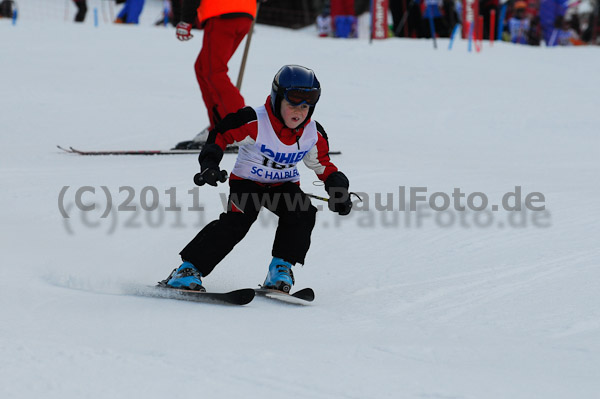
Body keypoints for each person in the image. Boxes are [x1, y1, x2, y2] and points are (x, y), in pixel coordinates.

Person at [161, 65, 353, 293]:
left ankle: (279, 269)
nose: (299, 112)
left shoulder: (313, 133)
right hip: (247, 185)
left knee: (302, 212)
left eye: (305, 106)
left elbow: (322, 164)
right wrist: (210, 164)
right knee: (237, 223)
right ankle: (187, 270)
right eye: (292, 104)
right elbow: (221, 134)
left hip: (283, 187)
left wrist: (338, 189)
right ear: (277, 99)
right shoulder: (255, 121)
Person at [174, 0, 258, 149]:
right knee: (203, 68)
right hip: (244, 13)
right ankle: (218, 126)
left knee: (213, 71)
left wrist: (186, 20)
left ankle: (238, 127)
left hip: (222, 12)